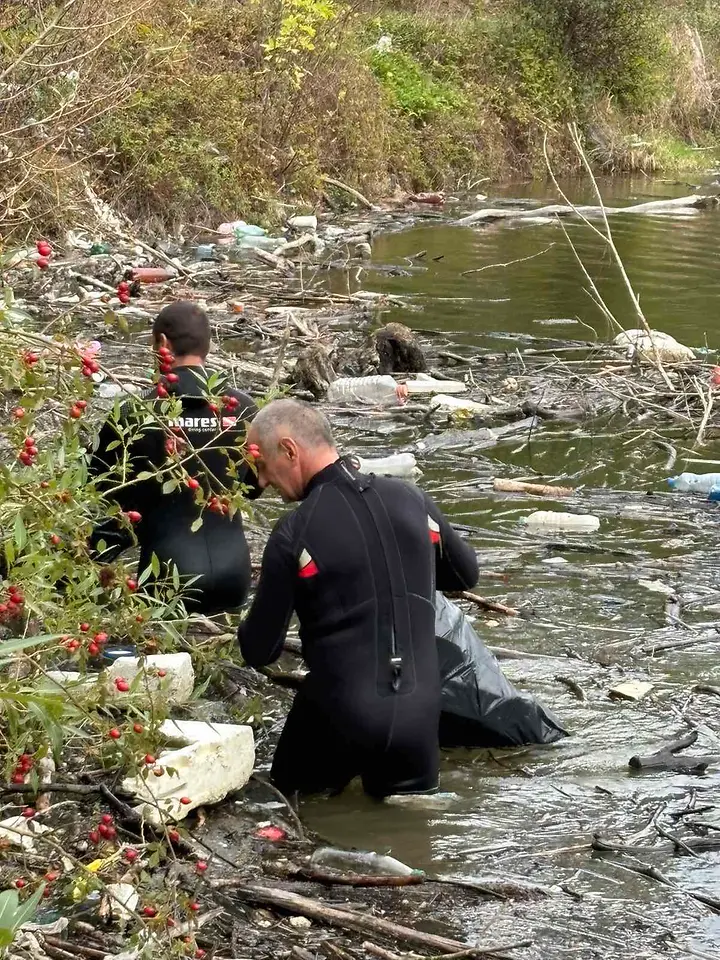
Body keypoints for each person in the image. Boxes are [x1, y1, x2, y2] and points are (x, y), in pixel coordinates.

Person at [237, 398, 479, 798]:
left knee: (286, 813)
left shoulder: (295, 531)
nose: (261, 482)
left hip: (341, 717)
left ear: (289, 450)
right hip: (418, 722)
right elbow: (465, 574)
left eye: (261, 466)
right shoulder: (410, 499)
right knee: (412, 843)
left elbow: (260, 650)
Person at [89, 301, 259, 615]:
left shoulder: (135, 413)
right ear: (207, 345)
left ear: (163, 344)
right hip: (235, 574)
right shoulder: (245, 409)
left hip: (168, 576)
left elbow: (99, 489)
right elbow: (255, 486)